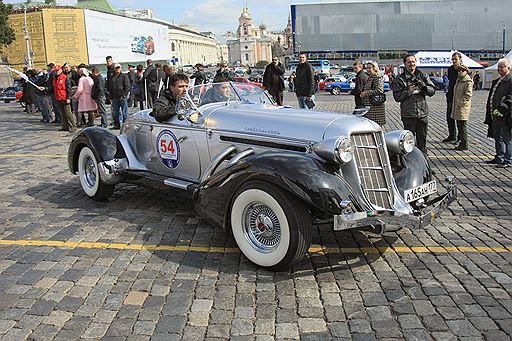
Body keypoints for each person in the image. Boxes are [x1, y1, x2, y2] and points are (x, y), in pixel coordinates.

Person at [392, 54, 435, 156]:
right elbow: (397, 97)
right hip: (408, 114)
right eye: (409, 62)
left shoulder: (423, 75)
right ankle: (411, 165)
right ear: (405, 64)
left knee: (422, 142)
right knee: (408, 143)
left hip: (422, 113)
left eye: (413, 62)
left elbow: (432, 91)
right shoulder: (400, 79)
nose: (412, 64)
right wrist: (409, 91)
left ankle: (424, 166)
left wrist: (424, 87)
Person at [483, 58, 512, 167]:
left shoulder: (510, 81)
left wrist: (503, 108)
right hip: (494, 114)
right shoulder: (498, 80)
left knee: (507, 139)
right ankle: (499, 157)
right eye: (499, 67)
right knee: (497, 137)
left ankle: (508, 160)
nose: (500, 68)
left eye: (502, 66)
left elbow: (510, 99)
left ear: (508, 68)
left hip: (505, 115)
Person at [451, 64, 473, 151]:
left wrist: (461, 103)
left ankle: (464, 143)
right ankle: (461, 141)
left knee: (462, 125)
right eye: (459, 71)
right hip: (457, 106)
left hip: (462, 107)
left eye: (462, 71)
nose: (460, 72)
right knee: (459, 125)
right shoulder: (459, 80)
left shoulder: (467, 81)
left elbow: (468, 95)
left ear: (466, 71)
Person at [443, 52, 462, 143]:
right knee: (449, 117)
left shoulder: (462, 69)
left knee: (459, 118)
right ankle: (452, 135)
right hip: (450, 95)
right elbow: (450, 83)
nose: (454, 61)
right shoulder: (450, 69)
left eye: (456, 59)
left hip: (459, 96)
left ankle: (460, 137)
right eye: (453, 59)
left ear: (460, 59)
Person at [360, 61, 386, 126]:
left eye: (369, 68)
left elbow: (379, 90)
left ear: (375, 68)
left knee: (376, 127)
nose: (367, 70)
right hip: (370, 108)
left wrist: (366, 93)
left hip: (375, 109)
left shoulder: (377, 77)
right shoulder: (371, 77)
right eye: (367, 68)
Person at [52, 65, 77, 132]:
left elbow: (68, 88)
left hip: (64, 97)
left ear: (61, 70)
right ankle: (65, 126)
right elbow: (53, 88)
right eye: (56, 71)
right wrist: (45, 88)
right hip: (58, 97)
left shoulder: (65, 77)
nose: (56, 72)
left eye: (58, 70)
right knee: (62, 113)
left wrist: (68, 97)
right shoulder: (55, 79)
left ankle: (73, 126)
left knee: (68, 113)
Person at [109, 63, 131, 129]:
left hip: (122, 97)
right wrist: (110, 97)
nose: (117, 69)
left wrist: (124, 95)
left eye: (118, 68)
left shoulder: (124, 76)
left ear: (120, 68)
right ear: (114, 69)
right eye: (116, 68)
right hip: (115, 97)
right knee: (115, 112)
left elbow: (127, 86)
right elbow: (110, 87)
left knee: (124, 112)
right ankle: (117, 125)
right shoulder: (112, 77)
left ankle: (125, 125)